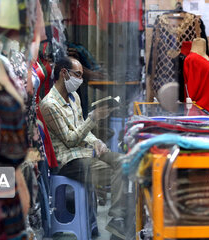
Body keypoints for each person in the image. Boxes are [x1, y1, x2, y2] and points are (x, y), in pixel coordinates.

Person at [40, 56, 127, 239]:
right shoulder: (49, 105)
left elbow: (81, 129)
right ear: (64, 73)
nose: (81, 79)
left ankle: (117, 220)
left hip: (84, 151)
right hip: (68, 160)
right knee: (112, 172)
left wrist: (96, 141)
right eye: (77, 75)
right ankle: (113, 222)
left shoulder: (74, 98)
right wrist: (93, 118)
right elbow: (70, 140)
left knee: (122, 162)